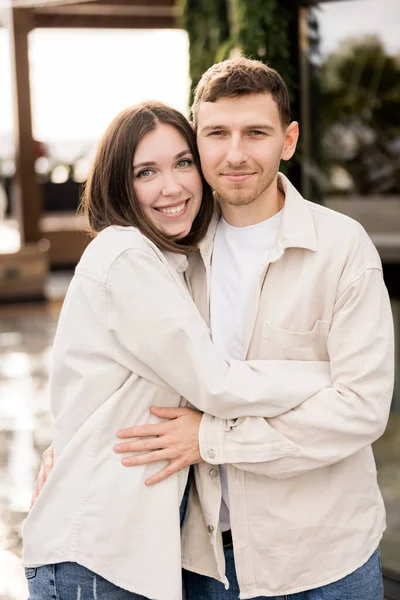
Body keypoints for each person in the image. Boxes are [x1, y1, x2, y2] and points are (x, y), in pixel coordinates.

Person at [23, 100, 331, 600]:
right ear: (120, 184)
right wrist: (325, 376)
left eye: (182, 163)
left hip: (124, 554)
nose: (172, 186)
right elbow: (216, 383)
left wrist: (66, 442)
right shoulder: (125, 257)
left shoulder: (172, 261)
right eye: (147, 171)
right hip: (95, 556)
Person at [112, 58, 394, 600]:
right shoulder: (169, 252)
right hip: (205, 561)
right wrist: (71, 442)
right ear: (197, 141)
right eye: (217, 133)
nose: (235, 153)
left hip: (324, 561)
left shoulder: (342, 248)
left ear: (288, 140)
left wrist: (211, 438)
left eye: (256, 133)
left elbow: (360, 407)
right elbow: (121, 378)